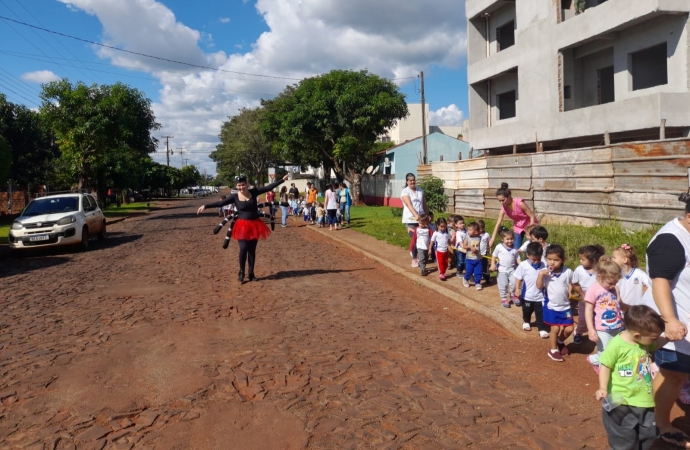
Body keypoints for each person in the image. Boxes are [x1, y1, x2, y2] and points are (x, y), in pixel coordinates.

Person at [639, 193, 690, 447]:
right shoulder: (671, 241)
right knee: (673, 374)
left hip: (686, 322)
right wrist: (669, 320)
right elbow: (660, 282)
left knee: (678, 374)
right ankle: (660, 424)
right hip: (677, 326)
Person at [197, 173, 289, 282]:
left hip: (255, 224)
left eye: (243, 184)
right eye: (239, 185)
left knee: (252, 250)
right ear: (236, 186)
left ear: (247, 184)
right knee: (243, 248)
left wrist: (282, 180)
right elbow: (221, 203)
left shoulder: (254, 192)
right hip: (241, 226)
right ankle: (241, 271)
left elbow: (268, 187)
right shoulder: (235, 197)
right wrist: (205, 206)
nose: (241, 187)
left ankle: (251, 273)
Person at [595, 305, 664, 450]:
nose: (655, 340)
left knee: (650, 434)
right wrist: (602, 387)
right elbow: (605, 365)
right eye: (653, 338)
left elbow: (656, 345)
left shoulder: (643, 342)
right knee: (622, 437)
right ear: (637, 335)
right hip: (621, 401)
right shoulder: (616, 345)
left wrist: (668, 338)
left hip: (644, 399)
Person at [585, 257, 624, 373]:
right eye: (610, 283)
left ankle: (594, 359)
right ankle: (606, 383)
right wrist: (591, 329)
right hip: (602, 329)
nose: (613, 286)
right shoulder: (593, 290)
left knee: (616, 350)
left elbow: (618, 304)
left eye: (616, 283)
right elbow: (588, 310)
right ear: (599, 276)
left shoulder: (613, 288)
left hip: (617, 326)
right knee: (606, 355)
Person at [537, 244, 574, 362]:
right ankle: (553, 350)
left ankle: (560, 341)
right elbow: (539, 287)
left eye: (556, 260)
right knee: (555, 329)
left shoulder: (568, 271)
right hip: (550, 305)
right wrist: (540, 275)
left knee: (569, 329)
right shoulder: (544, 272)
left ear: (562, 260)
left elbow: (571, 283)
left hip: (565, 306)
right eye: (549, 259)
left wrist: (570, 291)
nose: (552, 262)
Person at [573, 245, 607, 345]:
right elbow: (575, 283)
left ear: (593, 260)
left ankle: (596, 333)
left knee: (597, 317)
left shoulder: (601, 269)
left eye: (583, 259)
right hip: (584, 299)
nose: (580, 261)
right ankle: (578, 332)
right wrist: (582, 295)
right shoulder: (579, 269)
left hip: (599, 299)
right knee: (583, 318)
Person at [489, 183, 538, 250]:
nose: (501, 202)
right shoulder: (504, 208)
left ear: (509, 196)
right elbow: (498, 223)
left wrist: (531, 230)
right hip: (518, 227)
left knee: (530, 248)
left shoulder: (519, 203)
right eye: (499, 201)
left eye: (503, 200)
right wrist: (492, 239)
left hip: (529, 224)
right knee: (515, 248)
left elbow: (531, 216)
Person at [514, 242, 548, 338]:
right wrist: (517, 288)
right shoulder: (523, 265)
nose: (536, 262)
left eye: (538, 259)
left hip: (540, 297)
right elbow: (518, 278)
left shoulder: (544, 265)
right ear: (527, 255)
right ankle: (526, 321)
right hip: (527, 296)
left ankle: (541, 329)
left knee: (540, 313)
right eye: (533, 259)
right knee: (527, 311)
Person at [401, 173, 429, 268]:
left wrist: (427, 214)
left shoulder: (420, 190)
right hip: (411, 220)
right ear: (407, 181)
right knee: (415, 238)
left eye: (413, 180)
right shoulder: (405, 192)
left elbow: (424, 203)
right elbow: (409, 205)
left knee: (422, 238)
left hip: (421, 219)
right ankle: (414, 258)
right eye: (410, 180)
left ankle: (419, 255)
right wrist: (417, 216)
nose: (412, 182)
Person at [490, 228, 520, 308]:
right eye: (507, 239)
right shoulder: (499, 247)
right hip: (502, 270)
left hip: (512, 269)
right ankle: (504, 299)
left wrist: (522, 265)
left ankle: (513, 295)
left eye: (511, 239)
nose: (510, 241)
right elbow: (494, 256)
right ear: (502, 239)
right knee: (503, 285)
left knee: (514, 283)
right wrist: (493, 264)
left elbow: (518, 258)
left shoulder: (515, 248)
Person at [462, 222, 484, 291]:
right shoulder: (467, 237)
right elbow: (464, 246)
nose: (468, 231)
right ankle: (465, 279)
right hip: (469, 259)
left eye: (470, 230)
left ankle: (477, 283)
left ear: (476, 232)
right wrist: (470, 247)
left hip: (478, 259)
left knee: (478, 272)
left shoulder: (479, 238)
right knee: (469, 271)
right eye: (468, 229)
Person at [478, 220, 491, 285]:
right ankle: (476, 277)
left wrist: (490, 248)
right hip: (476, 254)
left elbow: (490, 242)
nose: (480, 230)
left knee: (485, 266)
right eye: (479, 229)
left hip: (484, 254)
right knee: (477, 266)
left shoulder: (486, 235)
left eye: (481, 228)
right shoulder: (475, 234)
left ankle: (487, 278)